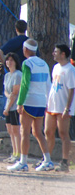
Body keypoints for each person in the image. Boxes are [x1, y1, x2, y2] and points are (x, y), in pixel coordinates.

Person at [8, 39, 52, 172]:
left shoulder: (27, 63)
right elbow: (48, 84)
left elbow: (25, 84)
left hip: (29, 101)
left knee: (24, 132)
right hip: (41, 101)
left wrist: (20, 102)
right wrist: (48, 102)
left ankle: (23, 162)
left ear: (25, 50)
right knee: (38, 132)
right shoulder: (44, 63)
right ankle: (48, 160)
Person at [44, 44, 75, 172]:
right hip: (52, 105)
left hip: (63, 106)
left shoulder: (70, 69)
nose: (53, 53)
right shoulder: (55, 67)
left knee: (63, 133)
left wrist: (67, 108)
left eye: (56, 52)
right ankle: (47, 159)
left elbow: (71, 89)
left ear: (63, 54)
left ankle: (64, 161)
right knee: (48, 131)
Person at [2, 52, 22, 164]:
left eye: (11, 60)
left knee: (15, 131)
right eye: (7, 60)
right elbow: (6, 90)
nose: (9, 62)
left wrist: (8, 107)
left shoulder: (18, 74)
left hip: (14, 107)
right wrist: (8, 97)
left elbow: (15, 93)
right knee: (10, 130)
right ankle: (14, 152)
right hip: (8, 105)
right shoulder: (7, 75)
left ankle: (18, 153)